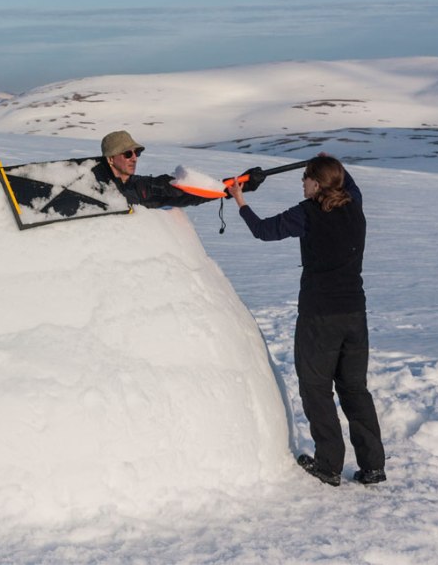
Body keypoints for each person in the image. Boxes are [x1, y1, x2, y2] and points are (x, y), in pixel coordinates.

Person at [227, 154, 386, 487]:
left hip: (320, 317)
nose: (302, 183)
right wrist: (327, 161)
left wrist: (240, 200)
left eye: (306, 178)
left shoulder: (308, 214)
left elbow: (263, 231)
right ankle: (373, 466)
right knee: (354, 389)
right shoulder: (355, 206)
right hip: (355, 315)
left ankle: (328, 465)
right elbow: (348, 181)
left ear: (317, 183)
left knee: (316, 388)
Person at [93, 130, 264, 208]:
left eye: (136, 152)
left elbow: (185, 193)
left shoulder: (140, 187)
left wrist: (236, 186)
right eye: (128, 154)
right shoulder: (90, 186)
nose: (135, 158)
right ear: (110, 159)